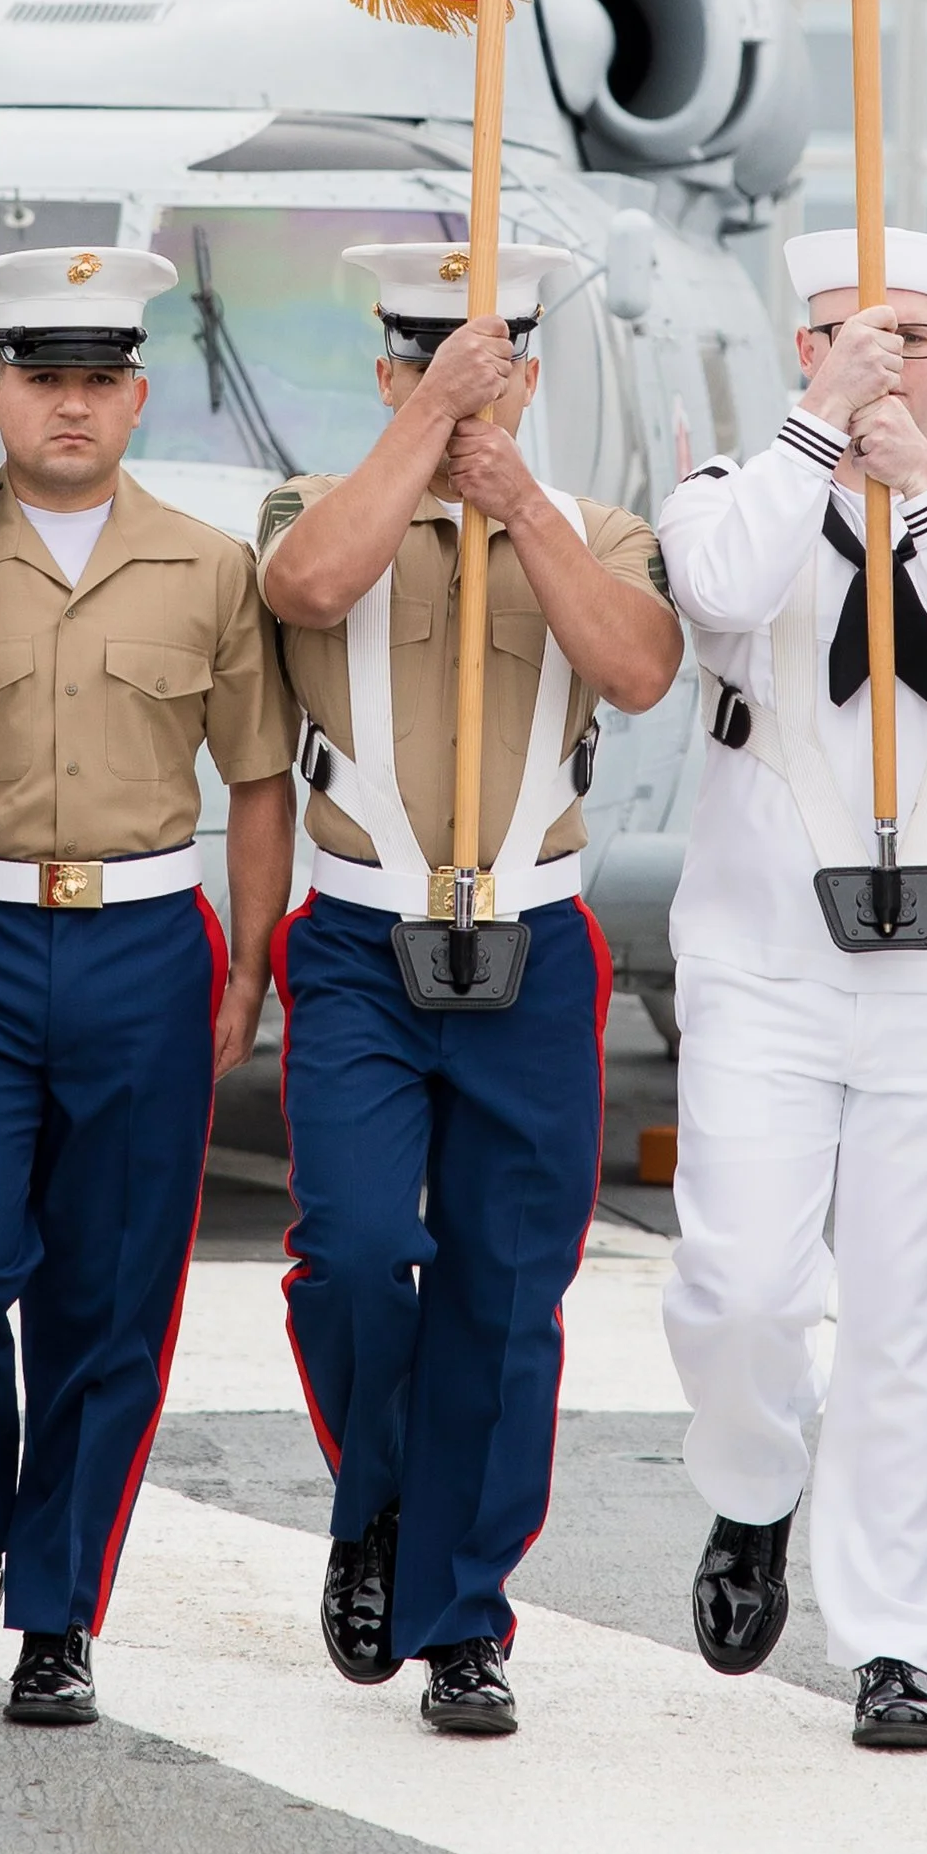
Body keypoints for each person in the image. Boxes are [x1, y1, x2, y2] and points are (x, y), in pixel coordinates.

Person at [0, 243, 296, 1732]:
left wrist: (251, 967)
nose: (70, 408)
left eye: (98, 382)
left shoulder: (210, 568)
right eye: (42, 380)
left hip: (148, 948)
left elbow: (260, 779)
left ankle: (60, 1608)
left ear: (139, 396)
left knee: (108, 1300)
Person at [655, 228, 927, 1754]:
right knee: (742, 1284)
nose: (881, 357)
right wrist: (817, 434)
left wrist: (925, 487)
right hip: (764, 962)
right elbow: (719, 584)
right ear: (800, 346)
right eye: (847, 333)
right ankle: (752, 1485)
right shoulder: (730, 494)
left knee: (921, 1320)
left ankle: (897, 1637)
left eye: (907, 337)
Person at [257, 239, 683, 1741]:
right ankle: (376, 1499)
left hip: (532, 944)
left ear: (532, 376)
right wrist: (423, 434)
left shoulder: (602, 526)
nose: (458, 380)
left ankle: (462, 1616)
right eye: (429, 358)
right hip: (364, 944)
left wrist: (515, 505)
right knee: (361, 1254)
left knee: (509, 1297)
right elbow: (307, 582)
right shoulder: (317, 509)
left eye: (486, 360)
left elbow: (636, 669)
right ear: (389, 368)